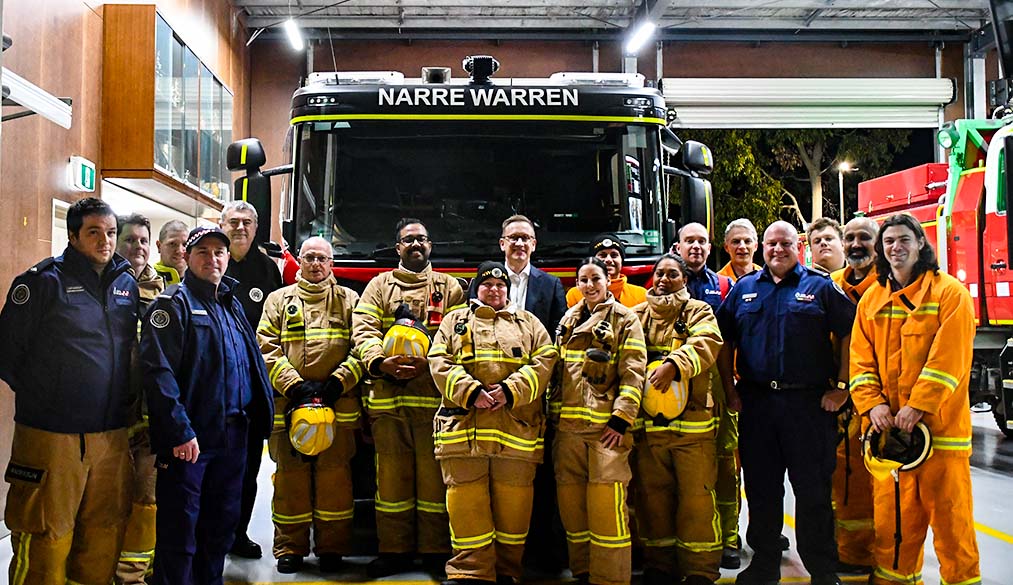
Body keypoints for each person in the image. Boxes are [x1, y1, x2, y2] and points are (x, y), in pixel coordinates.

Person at [0, 197, 138, 585]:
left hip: (110, 434)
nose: (105, 242)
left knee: (102, 536)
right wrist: (49, 396)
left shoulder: (125, 283)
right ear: (73, 236)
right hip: (51, 437)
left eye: (111, 233)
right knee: (46, 537)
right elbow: (7, 353)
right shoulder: (42, 282)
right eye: (94, 233)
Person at [716, 221, 855, 585]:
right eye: (772, 244)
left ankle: (822, 569)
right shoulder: (744, 289)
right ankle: (764, 563)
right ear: (763, 247)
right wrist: (730, 389)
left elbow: (850, 333)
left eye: (786, 243)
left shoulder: (820, 286)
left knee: (813, 490)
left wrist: (842, 386)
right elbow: (723, 339)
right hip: (758, 404)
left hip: (807, 405)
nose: (778, 249)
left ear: (800, 246)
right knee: (762, 489)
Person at [849, 214, 981, 585]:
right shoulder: (871, 300)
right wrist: (872, 405)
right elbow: (860, 362)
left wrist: (918, 405)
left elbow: (949, 361)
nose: (896, 247)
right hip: (891, 438)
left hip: (941, 436)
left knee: (953, 526)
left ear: (921, 243)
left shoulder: (949, 293)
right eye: (889, 241)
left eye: (904, 239)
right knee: (894, 526)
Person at [140, 226, 273, 585]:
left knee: (220, 527)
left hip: (234, 437)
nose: (212, 259)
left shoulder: (231, 306)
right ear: (186, 257)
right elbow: (158, 374)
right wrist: (179, 431)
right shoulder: (172, 305)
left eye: (219, 252)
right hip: (191, 442)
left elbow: (251, 365)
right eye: (203, 252)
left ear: (228, 259)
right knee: (180, 531)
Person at [429, 261, 558, 585]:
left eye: (501, 286)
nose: (495, 290)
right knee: (465, 507)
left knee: (514, 510)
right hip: (464, 434)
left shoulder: (529, 323)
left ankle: (507, 572)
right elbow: (439, 360)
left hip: (515, 434)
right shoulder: (454, 321)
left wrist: (510, 391)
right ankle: (470, 572)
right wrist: (471, 392)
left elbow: (546, 360)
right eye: (488, 285)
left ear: (508, 290)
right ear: (477, 289)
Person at [352, 218, 467, 577]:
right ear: (398, 247)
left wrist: (429, 364)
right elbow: (363, 329)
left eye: (422, 240)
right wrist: (379, 362)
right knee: (390, 482)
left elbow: (460, 337)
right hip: (389, 401)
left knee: (435, 482)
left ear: (430, 246)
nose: (416, 245)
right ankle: (394, 551)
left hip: (434, 402)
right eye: (408, 240)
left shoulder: (451, 288)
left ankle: (435, 552)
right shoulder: (378, 287)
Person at [257, 236, 365, 574]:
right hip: (290, 408)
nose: (316, 264)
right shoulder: (278, 301)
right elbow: (266, 347)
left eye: (322, 258)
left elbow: (363, 346)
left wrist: (338, 382)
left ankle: (333, 548)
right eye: (309, 257)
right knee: (290, 481)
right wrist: (296, 387)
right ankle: (290, 547)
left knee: (336, 482)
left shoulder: (351, 300)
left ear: (332, 264)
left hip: (339, 408)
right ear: (299, 261)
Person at [552, 257, 646, 585]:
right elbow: (557, 375)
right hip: (567, 431)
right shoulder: (567, 320)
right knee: (573, 510)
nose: (589, 286)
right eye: (583, 280)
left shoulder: (626, 319)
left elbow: (634, 372)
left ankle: (611, 578)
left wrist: (621, 420)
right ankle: (583, 572)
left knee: (607, 512)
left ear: (608, 281)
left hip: (606, 432)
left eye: (596, 279)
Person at [632, 253, 723, 585]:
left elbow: (707, 342)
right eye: (658, 273)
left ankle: (700, 569)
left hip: (693, 428)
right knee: (652, 498)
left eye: (672, 274)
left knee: (697, 499)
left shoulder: (699, 311)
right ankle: (659, 564)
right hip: (649, 426)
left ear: (685, 280)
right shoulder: (636, 315)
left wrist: (675, 364)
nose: (663, 279)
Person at [673, 222, 741, 569]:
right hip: (673, 387)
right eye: (690, 241)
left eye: (702, 241)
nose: (696, 246)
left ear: (710, 245)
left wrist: (730, 389)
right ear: (677, 245)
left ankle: (729, 537)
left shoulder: (726, 286)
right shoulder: (663, 282)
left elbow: (729, 342)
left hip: (716, 380)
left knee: (725, 465)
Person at [220, 200, 284, 559]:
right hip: (216, 388)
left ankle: (238, 533)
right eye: (234, 221)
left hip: (254, 387)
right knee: (215, 468)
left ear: (257, 228)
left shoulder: (267, 270)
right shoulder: (211, 261)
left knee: (248, 469)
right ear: (222, 224)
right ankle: (212, 533)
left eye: (247, 222)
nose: (241, 227)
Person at [115, 213, 166, 584]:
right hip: (105, 416)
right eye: (130, 240)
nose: (138, 247)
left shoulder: (165, 294)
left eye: (143, 241)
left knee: (145, 501)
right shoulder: (100, 285)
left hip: (149, 418)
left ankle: (134, 575)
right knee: (104, 500)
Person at [828, 216, 880, 575]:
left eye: (865, 237)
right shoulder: (830, 286)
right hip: (837, 403)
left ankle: (873, 555)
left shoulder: (891, 287)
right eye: (851, 237)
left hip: (878, 403)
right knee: (842, 481)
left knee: (874, 481)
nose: (856, 244)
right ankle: (847, 553)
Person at [476, 214, 567, 334]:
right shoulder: (483, 281)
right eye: (513, 237)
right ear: (502, 244)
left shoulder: (551, 285)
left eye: (525, 238)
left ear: (533, 244)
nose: (519, 243)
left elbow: (559, 329)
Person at [566, 234, 647, 308]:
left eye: (614, 255)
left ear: (622, 260)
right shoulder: (574, 295)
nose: (608, 260)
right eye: (602, 255)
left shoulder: (641, 295)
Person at [154, 219, 189, 286]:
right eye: (172, 244)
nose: (180, 251)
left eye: (185, 245)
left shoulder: (200, 283)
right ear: (159, 246)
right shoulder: (148, 280)